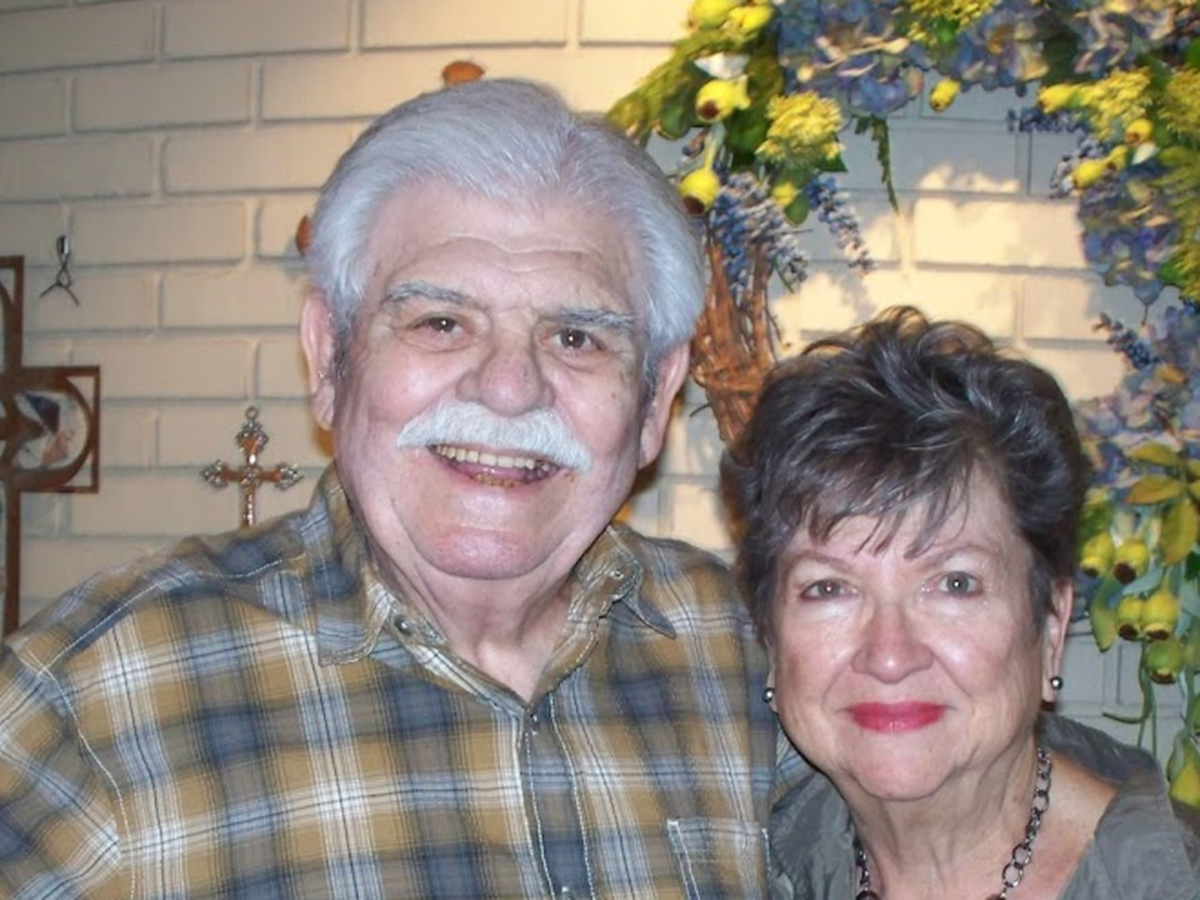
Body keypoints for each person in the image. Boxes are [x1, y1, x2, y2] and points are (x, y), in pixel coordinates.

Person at [0, 79, 783, 899]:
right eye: (440, 323)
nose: (510, 388)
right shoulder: (84, 702)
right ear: (328, 358)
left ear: (656, 400)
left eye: (577, 337)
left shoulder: (747, 651)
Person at [722, 306, 1200, 899]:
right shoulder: (743, 868)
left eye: (954, 584)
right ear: (770, 640)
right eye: (829, 588)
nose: (889, 656)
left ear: (1050, 627)